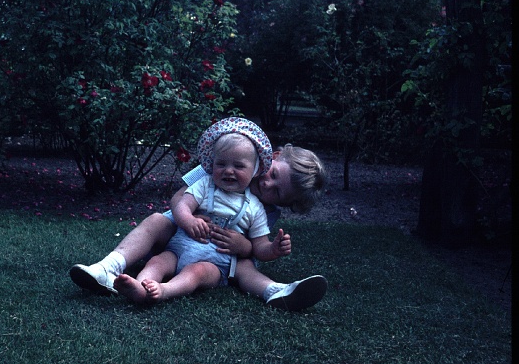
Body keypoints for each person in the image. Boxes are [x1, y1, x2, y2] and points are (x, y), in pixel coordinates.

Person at [69, 117, 328, 311]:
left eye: (279, 192)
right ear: (274, 156)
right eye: (273, 175)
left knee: (237, 267)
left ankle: (276, 291)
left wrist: (246, 245)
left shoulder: (263, 210)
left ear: (285, 203)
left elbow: (258, 245)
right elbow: (178, 198)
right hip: (179, 234)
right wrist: (188, 220)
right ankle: (108, 267)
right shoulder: (219, 167)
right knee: (157, 220)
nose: (268, 185)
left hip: (219, 257)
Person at [114, 132, 269, 304]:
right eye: (221, 164)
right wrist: (189, 220)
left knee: (195, 273)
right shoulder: (205, 184)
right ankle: (141, 286)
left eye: (238, 166)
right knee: (157, 261)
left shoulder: (255, 207)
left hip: (214, 263)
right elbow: (182, 205)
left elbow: (260, 245)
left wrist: (274, 249)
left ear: (255, 170)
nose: (228, 170)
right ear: (212, 164)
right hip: (178, 249)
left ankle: (165, 290)